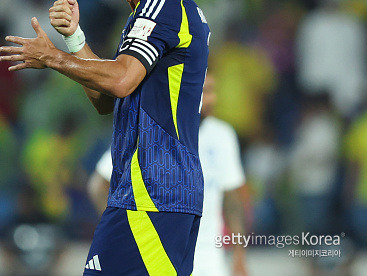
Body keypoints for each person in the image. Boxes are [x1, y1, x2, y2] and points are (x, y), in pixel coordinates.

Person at [0, 0, 210, 275]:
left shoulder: (164, 5)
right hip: (145, 196)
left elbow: (120, 80)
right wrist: (74, 39)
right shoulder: (144, 14)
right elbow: (106, 101)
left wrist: (52, 57)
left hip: (154, 196)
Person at [88, 74, 249, 276]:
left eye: (213, 91)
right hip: (158, 256)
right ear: (186, 93)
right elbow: (98, 185)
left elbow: (232, 200)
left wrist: (239, 256)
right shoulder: (150, 130)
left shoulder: (223, 135)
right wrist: (125, 234)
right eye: (205, 91)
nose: (212, 99)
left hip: (208, 257)